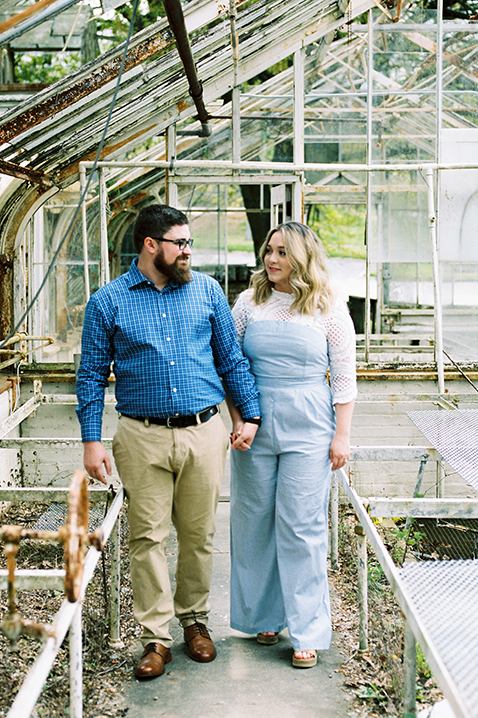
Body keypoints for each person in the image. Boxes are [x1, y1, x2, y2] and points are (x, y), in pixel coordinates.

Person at [76, 204, 260, 680]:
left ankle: (195, 622)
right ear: (150, 245)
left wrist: (251, 414)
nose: (187, 251)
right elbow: (92, 375)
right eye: (180, 242)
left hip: (204, 431)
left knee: (199, 535)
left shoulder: (207, 291)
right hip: (141, 436)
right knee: (147, 538)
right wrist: (91, 441)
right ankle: (155, 637)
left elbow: (231, 360)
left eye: (189, 242)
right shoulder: (108, 302)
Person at [228, 222, 356, 668]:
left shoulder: (329, 307)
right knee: (254, 519)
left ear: (301, 258)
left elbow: (343, 376)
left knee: (302, 525)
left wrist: (341, 435)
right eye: (269, 250)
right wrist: (239, 420)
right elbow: (232, 364)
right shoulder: (249, 303)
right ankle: (265, 616)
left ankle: (306, 629)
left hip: (310, 423)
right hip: (257, 422)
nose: (272, 259)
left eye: (282, 252)